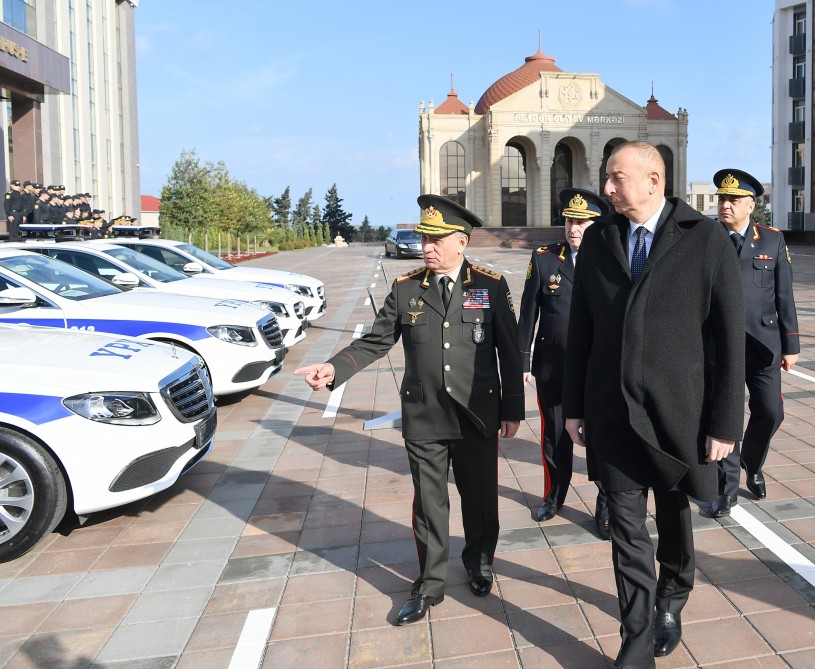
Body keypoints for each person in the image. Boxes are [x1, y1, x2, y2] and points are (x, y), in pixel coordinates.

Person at [295, 195, 524, 625]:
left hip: (476, 414)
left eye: (437, 239)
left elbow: (509, 353)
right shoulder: (406, 289)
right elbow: (374, 341)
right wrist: (333, 367)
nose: (428, 247)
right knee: (429, 504)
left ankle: (478, 562)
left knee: (479, 499)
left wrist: (513, 409)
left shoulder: (490, 285)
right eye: (424, 238)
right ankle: (429, 582)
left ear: (461, 241)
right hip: (424, 416)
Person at [563, 141, 745, 668]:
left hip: (678, 413)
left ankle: (673, 594)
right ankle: (637, 642)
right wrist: (574, 407)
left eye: (618, 178)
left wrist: (724, 423)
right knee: (625, 529)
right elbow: (582, 330)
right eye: (607, 178)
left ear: (654, 180)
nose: (608, 189)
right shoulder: (598, 240)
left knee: (672, 515)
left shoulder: (703, 239)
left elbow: (729, 341)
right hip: (612, 412)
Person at [517, 188, 609, 538]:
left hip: (595, 368)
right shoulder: (544, 258)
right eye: (570, 221)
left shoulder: (609, 258)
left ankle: (605, 505)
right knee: (555, 436)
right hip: (553, 365)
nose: (573, 228)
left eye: (581, 222)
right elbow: (528, 313)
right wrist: (522, 362)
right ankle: (554, 495)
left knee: (600, 437)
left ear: (595, 225)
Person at [709, 169, 799, 517]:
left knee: (770, 411)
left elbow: (784, 295)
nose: (725, 205)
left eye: (733, 200)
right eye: (721, 199)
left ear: (750, 204)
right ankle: (726, 489)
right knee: (725, 415)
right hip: (719, 345)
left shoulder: (772, 240)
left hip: (763, 341)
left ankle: (752, 462)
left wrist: (791, 345)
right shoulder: (708, 237)